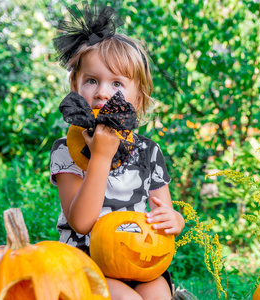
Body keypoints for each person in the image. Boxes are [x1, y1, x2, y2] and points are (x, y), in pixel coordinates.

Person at [49, 4, 185, 300]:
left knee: (158, 294)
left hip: (137, 257)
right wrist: (100, 156)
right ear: (75, 86)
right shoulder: (65, 150)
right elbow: (81, 222)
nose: (102, 93)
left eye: (117, 84)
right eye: (92, 80)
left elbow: (163, 211)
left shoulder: (148, 150)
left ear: (138, 97)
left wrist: (176, 220)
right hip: (86, 262)